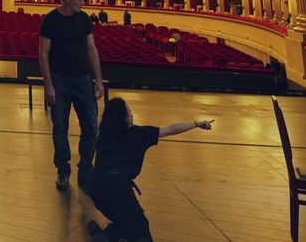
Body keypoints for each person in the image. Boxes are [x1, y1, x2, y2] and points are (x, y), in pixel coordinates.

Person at [87, 98, 214, 241]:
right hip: (117, 188)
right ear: (123, 117)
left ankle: (104, 235)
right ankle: (106, 237)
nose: (132, 114)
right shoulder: (139, 133)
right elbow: (171, 129)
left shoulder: (103, 135)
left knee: (127, 220)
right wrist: (197, 123)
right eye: (129, 111)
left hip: (94, 185)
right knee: (141, 229)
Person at [39, 0, 104, 191]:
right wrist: (48, 85)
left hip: (83, 78)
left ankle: (85, 169)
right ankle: (63, 170)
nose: (83, 3)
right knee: (60, 128)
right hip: (60, 80)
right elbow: (43, 54)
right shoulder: (51, 20)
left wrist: (98, 81)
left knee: (91, 126)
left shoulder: (84, 19)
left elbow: (92, 50)